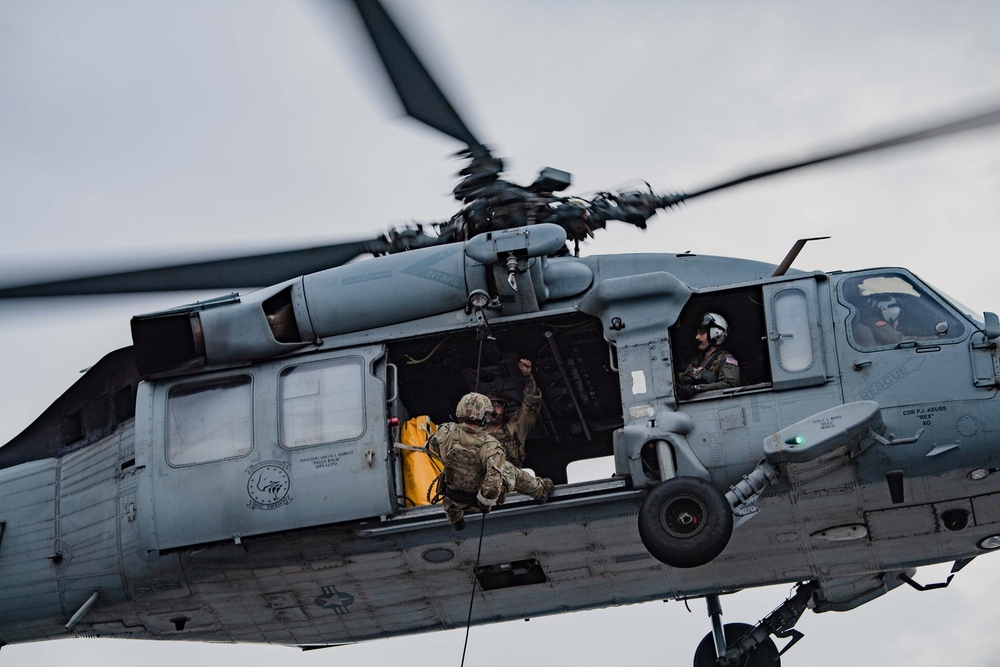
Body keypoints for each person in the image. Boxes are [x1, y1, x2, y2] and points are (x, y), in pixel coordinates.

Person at [428, 392, 554, 530]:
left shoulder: (446, 431)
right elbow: (492, 488)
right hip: (474, 500)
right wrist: (483, 504)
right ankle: (540, 491)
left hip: (452, 496)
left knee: (450, 476)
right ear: (482, 416)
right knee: (511, 472)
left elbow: (431, 447)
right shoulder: (491, 445)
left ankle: (456, 519)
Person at [486, 358, 542, 468]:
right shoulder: (476, 434)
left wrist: (528, 375)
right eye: (489, 406)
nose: (493, 410)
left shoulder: (513, 428)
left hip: (512, 480)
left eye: (497, 406)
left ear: (505, 409)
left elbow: (531, 404)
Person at [676, 312, 740, 400]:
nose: (697, 337)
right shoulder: (696, 360)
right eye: (697, 333)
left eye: (702, 333)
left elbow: (729, 384)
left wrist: (697, 389)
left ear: (716, 335)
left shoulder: (725, 360)